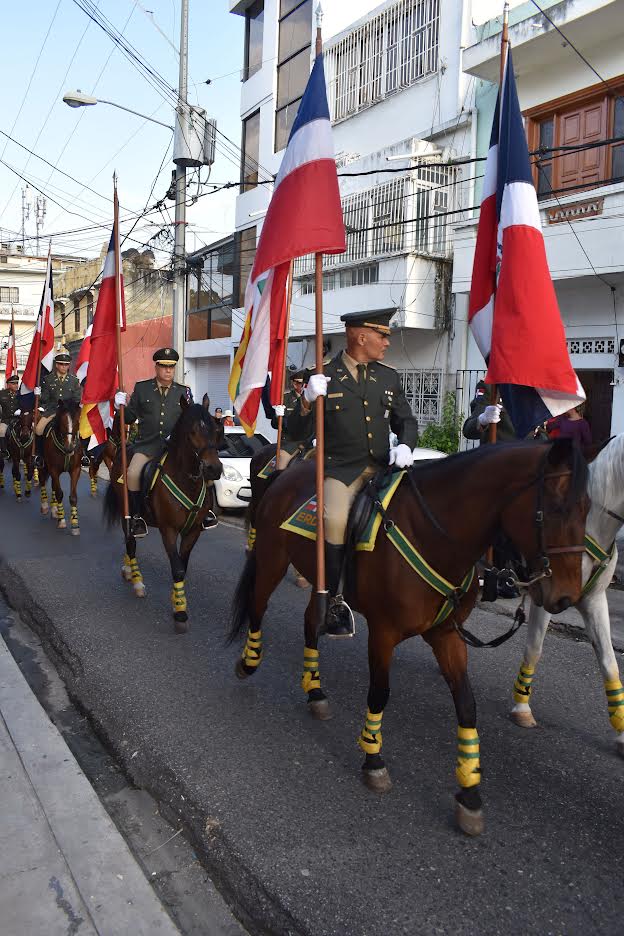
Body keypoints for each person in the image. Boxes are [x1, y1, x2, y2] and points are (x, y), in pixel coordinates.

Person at [287, 309, 419, 637]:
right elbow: (295, 432)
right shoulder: (324, 376)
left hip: (383, 468)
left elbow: (406, 420)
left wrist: (406, 444)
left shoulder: (388, 377)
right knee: (334, 520)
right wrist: (306, 401)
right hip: (341, 470)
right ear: (361, 337)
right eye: (382, 336)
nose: (387, 342)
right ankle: (333, 599)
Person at [114, 347, 193, 536]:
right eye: (164, 366)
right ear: (156, 367)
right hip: (147, 447)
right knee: (133, 474)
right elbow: (129, 418)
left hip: (175, 449)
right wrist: (120, 406)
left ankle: (203, 512)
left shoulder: (184, 392)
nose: (168, 371)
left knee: (202, 469)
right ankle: (136, 517)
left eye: (171, 367)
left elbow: (190, 419)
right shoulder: (142, 389)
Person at [34, 348, 86, 467]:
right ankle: (39, 455)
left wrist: (73, 410)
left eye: (66, 365)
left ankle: (83, 455)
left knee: (82, 430)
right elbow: (45, 399)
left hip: (69, 413)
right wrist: (39, 395)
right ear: (56, 365)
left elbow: (77, 398)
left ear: (69, 366)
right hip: (52, 411)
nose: (64, 367)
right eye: (61, 364)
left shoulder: (74, 380)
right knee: (38, 429)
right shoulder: (48, 380)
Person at [271, 369, 310, 470]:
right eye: (299, 383)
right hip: (291, 440)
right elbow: (274, 424)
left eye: (305, 384)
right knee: (281, 461)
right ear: (294, 383)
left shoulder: (313, 399)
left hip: (310, 440)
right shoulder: (285, 399)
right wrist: (277, 417)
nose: (302, 386)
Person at [462, 380, 515, 444]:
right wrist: (482, 420)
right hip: (501, 448)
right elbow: (468, 430)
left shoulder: (526, 388)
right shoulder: (491, 386)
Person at [0, 373, 20, 456]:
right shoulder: (2, 393)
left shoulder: (20, 394)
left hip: (18, 419)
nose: (16, 385)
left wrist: (21, 411)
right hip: (6, 419)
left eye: (17, 383)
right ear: (8, 384)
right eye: (13, 383)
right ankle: (4, 451)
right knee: (1, 431)